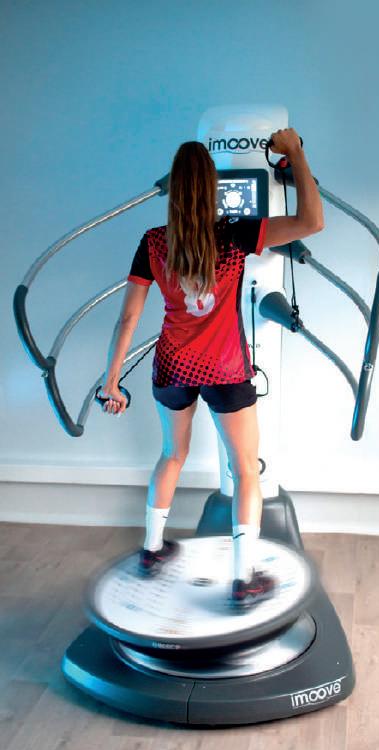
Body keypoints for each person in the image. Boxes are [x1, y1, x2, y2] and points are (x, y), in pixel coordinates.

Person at [98, 128, 324, 609]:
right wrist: (295, 153)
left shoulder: (153, 241)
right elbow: (312, 221)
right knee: (245, 470)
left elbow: (128, 318)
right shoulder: (236, 232)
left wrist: (111, 379)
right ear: (210, 188)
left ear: (175, 190)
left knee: (171, 456)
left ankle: (152, 550)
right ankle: (244, 579)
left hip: (172, 366)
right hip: (224, 369)